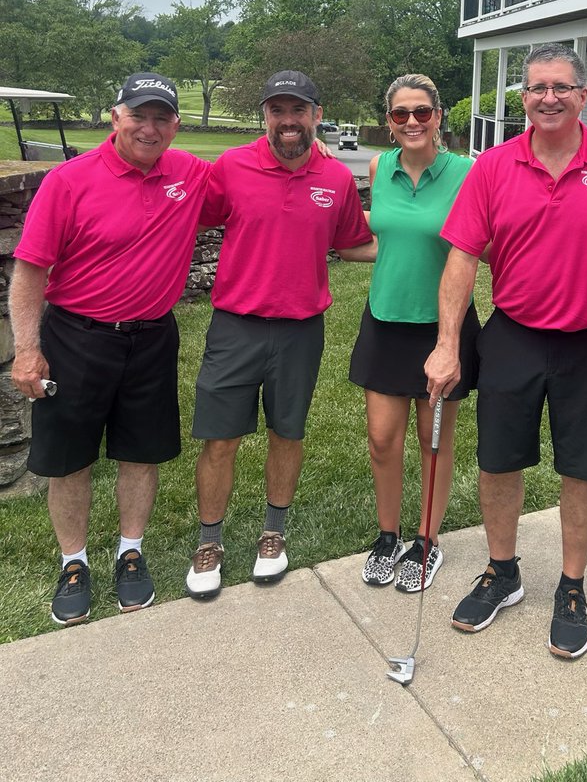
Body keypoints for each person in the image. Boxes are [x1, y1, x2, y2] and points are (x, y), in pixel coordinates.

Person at [425, 43, 587, 659]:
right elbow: (461, 258)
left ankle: (573, 586)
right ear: (522, 98)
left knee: (582, 467)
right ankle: (503, 573)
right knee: (499, 460)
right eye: (536, 88)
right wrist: (448, 344)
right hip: (513, 335)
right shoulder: (495, 166)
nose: (547, 97)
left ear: (583, 96)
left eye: (561, 87)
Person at [10, 73, 210, 626]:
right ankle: (73, 563)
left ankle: (130, 552)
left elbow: (252, 194)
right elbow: (30, 271)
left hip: (151, 336)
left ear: (175, 125)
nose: (150, 128)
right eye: (138, 116)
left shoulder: (190, 174)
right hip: (76, 336)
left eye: (162, 118)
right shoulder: (70, 181)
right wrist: (27, 349)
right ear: (114, 117)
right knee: (69, 456)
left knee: (140, 451)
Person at [185, 70, 372, 598]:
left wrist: (420, 248)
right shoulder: (233, 166)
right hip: (235, 327)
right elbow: (193, 216)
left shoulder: (335, 180)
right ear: (265, 115)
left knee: (287, 432)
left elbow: (354, 242)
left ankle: (274, 532)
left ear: (316, 113)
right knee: (220, 438)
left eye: (298, 110)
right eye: (277, 111)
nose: (287, 121)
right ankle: (210, 542)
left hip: (300, 330)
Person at [348, 74, 479, 593]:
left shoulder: (468, 173)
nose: (411, 123)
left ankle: (426, 540)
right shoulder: (379, 167)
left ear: (438, 117)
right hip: (385, 318)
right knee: (383, 439)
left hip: (442, 325)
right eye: (400, 114)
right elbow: (383, 239)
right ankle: (387, 536)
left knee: (432, 441)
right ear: (389, 122)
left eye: (421, 112)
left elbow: (474, 249)